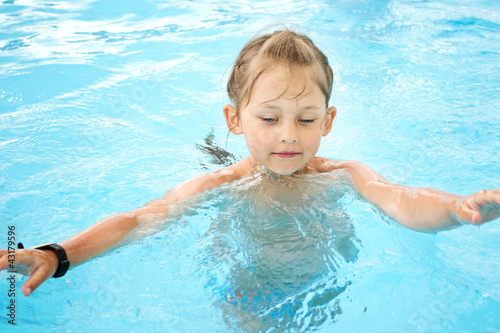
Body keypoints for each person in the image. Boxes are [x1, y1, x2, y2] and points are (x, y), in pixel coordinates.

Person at [1, 29, 499, 298]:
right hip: (248, 287)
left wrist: (458, 208)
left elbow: (404, 200)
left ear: (328, 121)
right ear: (236, 119)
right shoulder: (223, 184)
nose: (288, 134)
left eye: (305, 119)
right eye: (269, 118)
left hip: (326, 281)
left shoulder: (344, 174)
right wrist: (59, 253)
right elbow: (140, 219)